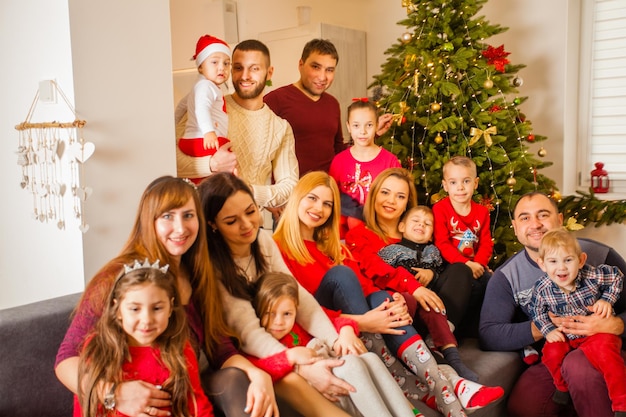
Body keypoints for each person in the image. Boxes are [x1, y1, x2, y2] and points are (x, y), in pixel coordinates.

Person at [274, 171, 504, 416]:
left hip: (393, 315)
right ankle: (442, 384)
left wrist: (390, 301)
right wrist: (361, 320)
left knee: (381, 296)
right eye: (312, 199)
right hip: (332, 327)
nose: (319, 208)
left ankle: (445, 389)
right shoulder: (277, 248)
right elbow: (297, 310)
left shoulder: (330, 246)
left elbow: (364, 284)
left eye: (327, 203)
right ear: (297, 198)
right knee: (343, 276)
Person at [55, 176, 277, 417]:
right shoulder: (118, 278)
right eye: (167, 216)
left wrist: (257, 373)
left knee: (239, 381)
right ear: (149, 221)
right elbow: (66, 360)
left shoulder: (197, 274)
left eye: (188, 215)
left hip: (187, 387)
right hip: (132, 395)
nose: (180, 228)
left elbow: (219, 348)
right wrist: (113, 394)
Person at [197, 172, 362, 417]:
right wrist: (298, 365)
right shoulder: (213, 264)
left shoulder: (262, 240)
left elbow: (299, 296)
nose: (247, 225)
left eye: (251, 211)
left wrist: (334, 337)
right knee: (313, 386)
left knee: (350, 362)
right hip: (243, 354)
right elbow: (247, 332)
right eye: (231, 221)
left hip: (280, 341)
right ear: (212, 224)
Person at [479, 191, 626, 417]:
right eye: (525, 218)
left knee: (579, 367)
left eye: (543, 215)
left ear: (559, 220)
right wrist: (542, 326)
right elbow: (489, 333)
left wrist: (616, 325)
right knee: (524, 406)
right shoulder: (507, 276)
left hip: (605, 347)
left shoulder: (600, 256)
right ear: (516, 228)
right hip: (554, 353)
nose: (535, 224)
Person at [251, 272, 419, 417]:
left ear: (296, 310)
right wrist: (289, 357)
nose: (279, 322)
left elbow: (335, 319)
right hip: (324, 391)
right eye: (269, 313)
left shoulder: (302, 322)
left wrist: (346, 330)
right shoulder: (258, 341)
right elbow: (257, 367)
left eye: (287, 314)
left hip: (343, 379)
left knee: (371, 358)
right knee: (351, 364)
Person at [176, 39, 297, 228]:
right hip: (202, 224)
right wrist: (211, 164)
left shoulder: (280, 127)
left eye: (254, 68)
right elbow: (171, 161)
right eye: (238, 68)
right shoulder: (208, 106)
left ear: (269, 72)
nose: (245, 76)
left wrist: (249, 191)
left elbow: (289, 186)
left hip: (247, 227)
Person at [77, 261, 214, 417]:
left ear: (170, 308)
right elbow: (86, 407)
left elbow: (198, 407)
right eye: (135, 309)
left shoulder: (180, 349)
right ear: (118, 310)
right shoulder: (98, 349)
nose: (147, 319)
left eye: (157, 308)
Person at [529, 228, 626, 414]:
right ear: (542, 264)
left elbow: (616, 276)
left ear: (581, 260)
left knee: (607, 355)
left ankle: (621, 403)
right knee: (551, 353)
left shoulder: (592, 275)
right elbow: (537, 311)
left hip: (596, 333)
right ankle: (561, 386)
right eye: (553, 261)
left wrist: (606, 300)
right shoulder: (542, 288)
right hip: (566, 334)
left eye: (568, 260)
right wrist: (548, 330)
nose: (561, 268)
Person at [263, 39, 393, 176]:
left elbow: (339, 150)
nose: (322, 77)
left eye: (329, 70)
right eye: (315, 67)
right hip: (292, 192)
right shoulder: (275, 100)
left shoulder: (332, 104)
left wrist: (374, 133)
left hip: (328, 188)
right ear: (301, 65)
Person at [378, 205, 473, 333]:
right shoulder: (391, 250)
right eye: (416, 220)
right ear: (402, 227)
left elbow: (446, 275)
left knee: (461, 269)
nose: (421, 225)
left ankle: (443, 331)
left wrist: (432, 274)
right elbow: (383, 275)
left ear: (431, 236)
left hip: (436, 305)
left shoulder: (434, 251)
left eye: (427, 224)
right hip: (408, 306)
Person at [432, 156, 493, 336]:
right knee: (463, 283)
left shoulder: (482, 212)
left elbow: (486, 242)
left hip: (477, 267)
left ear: (475, 183)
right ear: (445, 185)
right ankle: (448, 329)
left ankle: (484, 327)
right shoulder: (440, 209)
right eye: (453, 182)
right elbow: (442, 243)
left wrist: (479, 265)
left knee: (492, 283)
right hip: (452, 268)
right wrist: (466, 265)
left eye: (466, 181)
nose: (460, 187)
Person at [329, 99, 401, 235]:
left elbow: (397, 197)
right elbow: (332, 195)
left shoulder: (390, 161)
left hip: (379, 228)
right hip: (344, 232)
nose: (362, 131)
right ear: (348, 127)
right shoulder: (339, 161)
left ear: (376, 126)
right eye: (356, 126)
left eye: (369, 125)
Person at [175, 35, 232, 184]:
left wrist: (173, 126)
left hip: (190, 140)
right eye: (214, 62)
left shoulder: (199, 87)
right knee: (229, 155)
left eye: (226, 63)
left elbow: (182, 106)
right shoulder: (206, 86)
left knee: (207, 178)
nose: (222, 68)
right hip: (202, 139)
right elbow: (202, 108)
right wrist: (208, 132)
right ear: (200, 66)